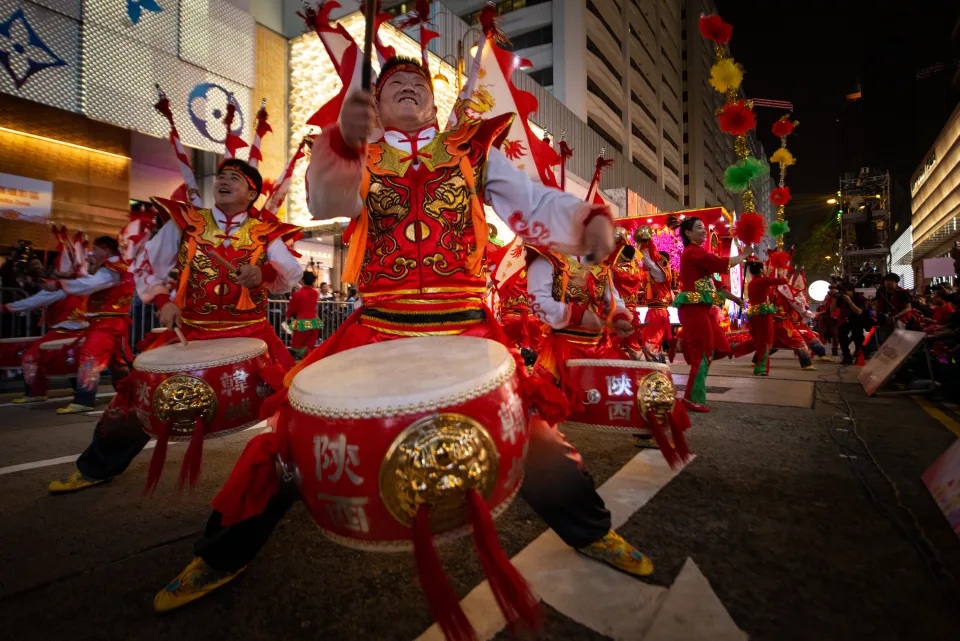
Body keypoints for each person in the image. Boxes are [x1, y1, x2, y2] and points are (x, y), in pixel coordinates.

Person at [153, 56, 651, 613]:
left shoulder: (470, 150)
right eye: (395, 85)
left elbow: (533, 202)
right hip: (377, 327)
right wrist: (343, 140)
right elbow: (327, 201)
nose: (409, 88)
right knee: (289, 442)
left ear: (435, 105)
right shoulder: (360, 152)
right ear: (378, 103)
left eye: (419, 84)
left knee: (528, 436)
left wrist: (587, 221)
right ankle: (222, 552)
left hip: (463, 326)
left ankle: (591, 530)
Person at [47, 159, 302, 494]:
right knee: (134, 399)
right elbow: (147, 263)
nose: (223, 181)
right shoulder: (187, 222)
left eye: (234, 178)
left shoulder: (265, 230)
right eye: (221, 176)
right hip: (193, 330)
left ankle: (299, 472)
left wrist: (264, 273)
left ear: (251, 192)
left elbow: (290, 273)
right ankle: (97, 467)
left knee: (294, 396)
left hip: (252, 331)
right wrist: (162, 301)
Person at [673, 217, 753, 412]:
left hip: (705, 310)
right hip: (693, 310)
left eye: (704, 227)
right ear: (688, 233)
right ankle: (691, 398)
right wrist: (743, 255)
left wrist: (736, 299)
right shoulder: (692, 253)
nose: (703, 231)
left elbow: (716, 286)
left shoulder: (700, 255)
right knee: (703, 351)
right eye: (699, 228)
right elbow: (719, 262)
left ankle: (684, 343)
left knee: (722, 347)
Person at [2, 283, 88, 403]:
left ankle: (35, 393)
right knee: (73, 359)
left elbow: (32, 302)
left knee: (30, 357)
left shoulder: (60, 288)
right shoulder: (86, 284)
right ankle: (78, 388)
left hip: (62, 332)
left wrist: (5, 307)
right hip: (85, 332)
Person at [742, 258, 785, 376]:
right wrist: (781, 271)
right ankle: (761, 368)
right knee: (766, 340)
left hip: (754, 313)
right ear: (761, 270)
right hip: (763, 314)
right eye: (764, 267)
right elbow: (783, 281)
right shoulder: (763, 281)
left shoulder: (752, 283)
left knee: (758, 340)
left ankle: (736, 350)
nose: (766, 269)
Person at [285, 271, 322, 360]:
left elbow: (292, 308)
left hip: (302, 322)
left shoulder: (297, 294)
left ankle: (305, 359)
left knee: (296, 345)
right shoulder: (315, 293)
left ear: (302, 280)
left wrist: (288, 316)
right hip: (314, 322)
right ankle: (308, 360)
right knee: (310, 345)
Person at [832, 282, 868, 365]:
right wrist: (835, 298)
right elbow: (832, 310)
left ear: (851, 291)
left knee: (858, 338)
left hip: (857, 319)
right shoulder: (841, 298)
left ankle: (859, 357)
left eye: (845, 291)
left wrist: (849, 301)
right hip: (846, 319)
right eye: (842, 292)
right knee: (841, 336)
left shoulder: (859, 297)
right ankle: (846, 357)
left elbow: (859, 312)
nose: (844, 294)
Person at [874, 273, 912, 342]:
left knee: (898, 340)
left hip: (898, 318)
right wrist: (877, 312)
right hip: (884, 319)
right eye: (887, 280)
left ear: (896, 282)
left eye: (891, 281)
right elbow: (877, 304)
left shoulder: (902, 292)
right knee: (884, 340)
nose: (888, 282)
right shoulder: (881, 291)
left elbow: (908, 308)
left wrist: (897, 316)